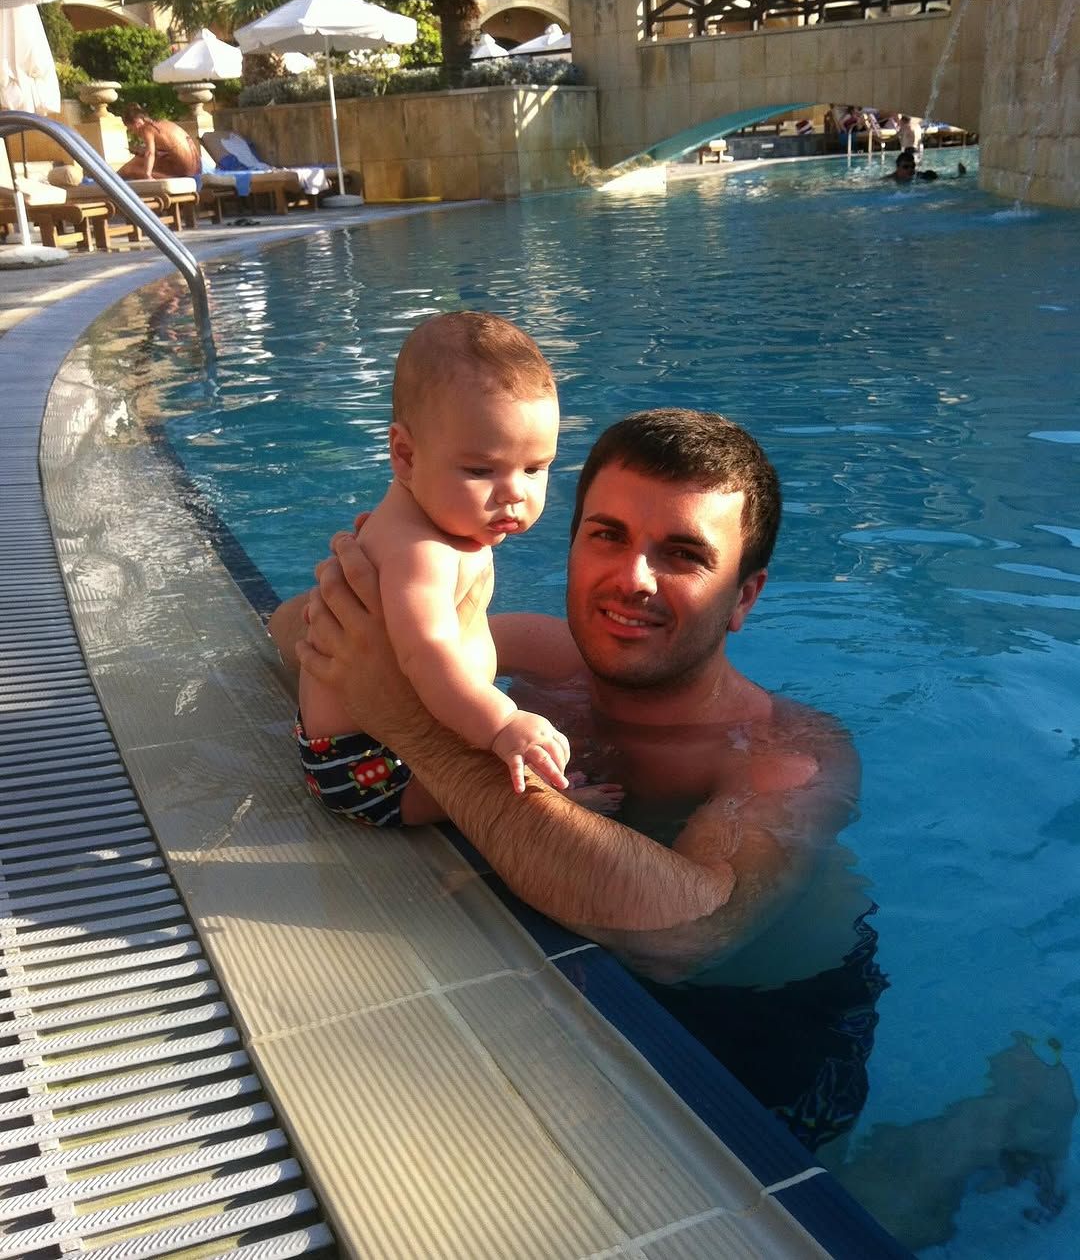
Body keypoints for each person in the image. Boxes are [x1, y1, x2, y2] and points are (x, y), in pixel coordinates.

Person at [272, 407, 874, 1145]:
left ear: (743, 597)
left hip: (761, 1024)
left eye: (682, 554)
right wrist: (386, 579)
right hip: (570, 972)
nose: (632, 579)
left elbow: (689, 936)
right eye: (607, 536)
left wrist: (415, 727)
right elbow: (290, 631)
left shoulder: (787, 752)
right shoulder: (542, 658)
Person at [294, 311, 570, 830]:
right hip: (373, 766)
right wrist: (502, 723)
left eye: (535, 468)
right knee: (526, 790)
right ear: (405, 455)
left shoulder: (434, 518)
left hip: (368, 742)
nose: (514, 492)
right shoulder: (420, 551)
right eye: (481, 469)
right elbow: (427, 654)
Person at [118, 104, 201, 180]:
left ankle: (114, 182)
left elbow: (150, 153)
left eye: (131, 129)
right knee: (140, 160)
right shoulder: (160, 124)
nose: (133, 132)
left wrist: (147, 175)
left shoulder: (147, 129)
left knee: (129, 169)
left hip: (187, 171)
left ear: (137, 123)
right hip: (197, 168)